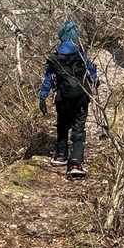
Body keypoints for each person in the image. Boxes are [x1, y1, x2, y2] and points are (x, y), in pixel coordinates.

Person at [38, 19, 98, 178]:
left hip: (62, 98)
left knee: (63, 124)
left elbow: (48, 79)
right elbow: (92, 73)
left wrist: (42, 97)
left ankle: (61, 155)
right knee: (78, 127)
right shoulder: (81, 55)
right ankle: (76, 163)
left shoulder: (55, 57)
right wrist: (94, 84)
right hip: (81, 97)